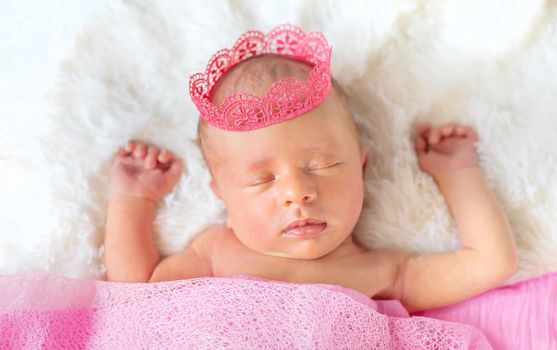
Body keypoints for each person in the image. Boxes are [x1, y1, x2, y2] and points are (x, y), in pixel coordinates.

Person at [103, 23, 518, 313]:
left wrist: (458, 173)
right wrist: (133, 199)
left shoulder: (381, 272)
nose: (296, 191)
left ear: (361, 165)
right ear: (222, 194)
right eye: (261, 179)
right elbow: (136, 298)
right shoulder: (215, 253)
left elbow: (491, 262)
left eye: (324, 164)